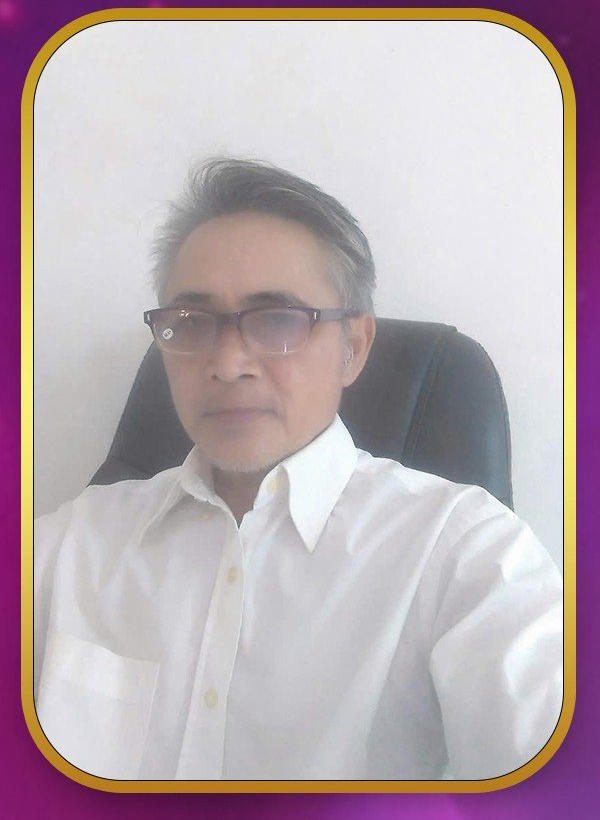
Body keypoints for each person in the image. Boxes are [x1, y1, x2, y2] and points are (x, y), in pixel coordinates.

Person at [34, 159, 562, 781]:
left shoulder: (464, 553)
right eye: (192, 323)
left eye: (278, 319)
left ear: (353, 347)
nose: (228, 363)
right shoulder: (69, 545)